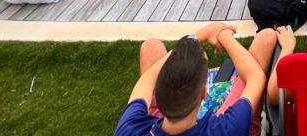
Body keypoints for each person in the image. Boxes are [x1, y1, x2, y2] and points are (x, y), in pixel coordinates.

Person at [116, 24, 276, 136]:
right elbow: (256, 77)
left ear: (156, 92)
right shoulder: (226, 129)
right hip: (220, 120)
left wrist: (195, 37)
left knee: (151, 46)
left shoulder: (130, 129)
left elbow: (146, 79)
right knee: (266, 37)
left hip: (161, 121)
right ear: (204, 93)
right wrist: (223, 36)